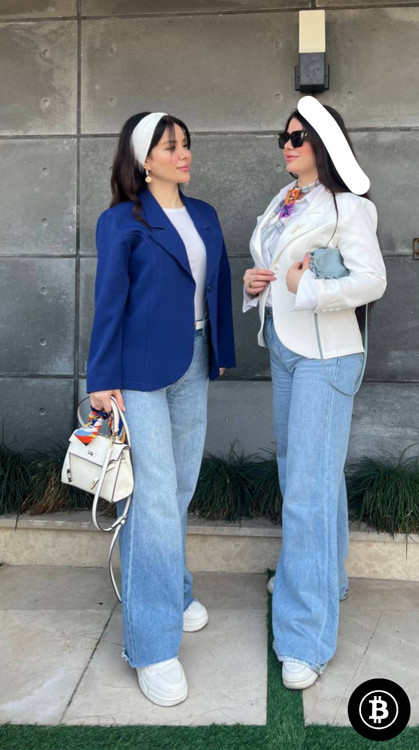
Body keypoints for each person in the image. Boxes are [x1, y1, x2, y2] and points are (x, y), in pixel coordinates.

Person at [86, 112, 235, 706]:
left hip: (193, 362)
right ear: (144, 160)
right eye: (170, 146)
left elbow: (215, 284)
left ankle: (173, 590)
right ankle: (151, 646)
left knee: (178, 488)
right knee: (150, 499)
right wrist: (101, 379)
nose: (184, 153)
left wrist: (220, 351)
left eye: (186, 144)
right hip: (139, 372)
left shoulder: (205, 214)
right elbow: (109, 300)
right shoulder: (121, 221)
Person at [243, 97, 386, 690]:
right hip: (284, 348)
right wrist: (257, 283)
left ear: (324, 144)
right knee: (304, 475)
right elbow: (272, 263)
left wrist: (305, 290)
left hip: (326, 355)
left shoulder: (348, 206)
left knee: (307, 488)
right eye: (284, 135)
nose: (287, 144)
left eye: (298, 137)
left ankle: (305, 637)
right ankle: (326, 576)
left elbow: (372, 279)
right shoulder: (286, 199)